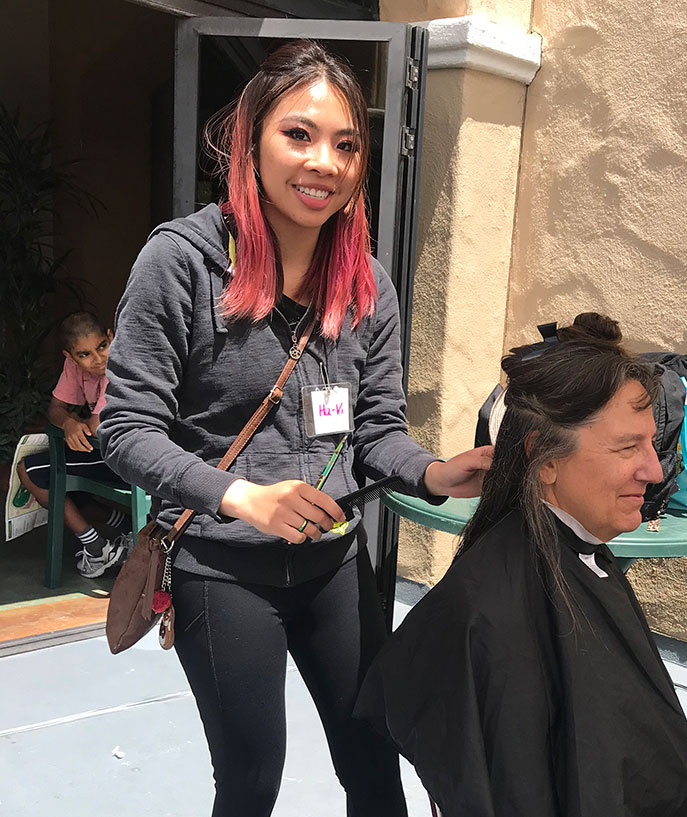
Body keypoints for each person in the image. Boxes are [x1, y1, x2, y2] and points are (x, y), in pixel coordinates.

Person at [98, 40, 492, 817]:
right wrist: (241, 496)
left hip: (335, 568)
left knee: (376, 765)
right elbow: (126, 430)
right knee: (252, 781)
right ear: (251, 140)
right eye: (299, 134)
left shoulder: (367, 283)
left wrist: (437, 473)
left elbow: (374, 431)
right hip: (222, 570)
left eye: (347, 144)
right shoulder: (181, 262)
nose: (326, 162)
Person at [356, 313, 687, 817]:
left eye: (653, 443)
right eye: (628, 447)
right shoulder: (492, 613)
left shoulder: (576, 559)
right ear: (546, 460)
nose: (653, 470)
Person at [16, 311, 131, 578]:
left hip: (126, 455)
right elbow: (55, 409)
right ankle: (118, 532)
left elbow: (94, 427)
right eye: (84, 354)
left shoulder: (119, 367)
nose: (98, 358)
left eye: (102, 346)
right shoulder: (75, 369)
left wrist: (73, 421)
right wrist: (68, 423)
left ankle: (96, 548)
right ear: (70, 357)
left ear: (111, 337)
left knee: (31, 471)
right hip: (102, 450)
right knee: (64, 489)